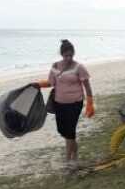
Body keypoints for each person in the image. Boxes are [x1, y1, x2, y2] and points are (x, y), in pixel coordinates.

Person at [33, 39, 94, 168]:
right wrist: (38, 84)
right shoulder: (55, 66)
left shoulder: (79, 67)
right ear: (61, 54)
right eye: (66, 55)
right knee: (64, 131)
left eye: (71, 55)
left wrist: (90, 103)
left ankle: (68, 159)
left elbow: (87, 85)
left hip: (75, 103)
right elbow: (50, 82)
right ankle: (75, 155)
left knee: (70, 131)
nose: (69, 58)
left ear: (74, 53)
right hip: (59, 103)